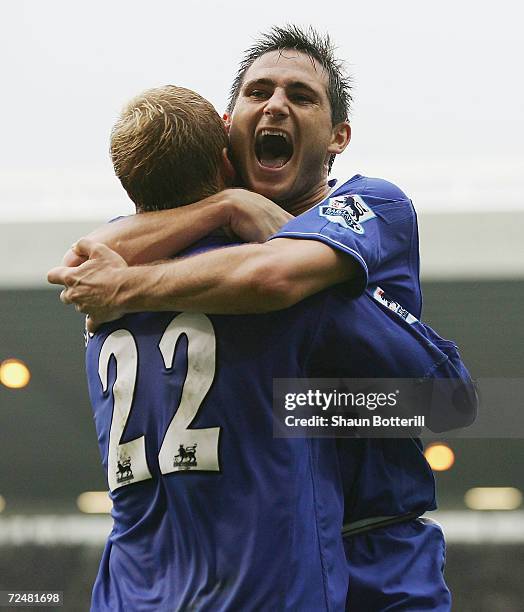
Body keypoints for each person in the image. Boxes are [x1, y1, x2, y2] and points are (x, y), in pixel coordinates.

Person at [48, 27, 475, 611]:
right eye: (259, 92)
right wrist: (223, 204)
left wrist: (127, 285)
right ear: (229, 126)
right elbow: (78, 258)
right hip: (261, 546)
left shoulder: (370, 202)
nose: (276, 104)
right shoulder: (205, 235)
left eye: (302, 96)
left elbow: (447, 404)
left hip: (376, 543)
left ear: (338, 136)